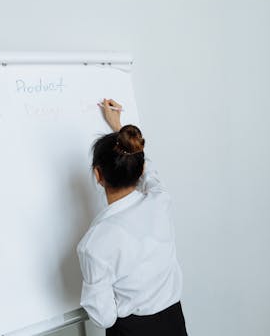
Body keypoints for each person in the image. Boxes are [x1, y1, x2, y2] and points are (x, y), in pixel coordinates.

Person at [77, 99, 188, 336]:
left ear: (98, 175)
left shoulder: (93, 245)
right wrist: (119, 127)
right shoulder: (160, 201)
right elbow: (148, 170)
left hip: (132, 331)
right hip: (174, 324)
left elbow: (103, 316)